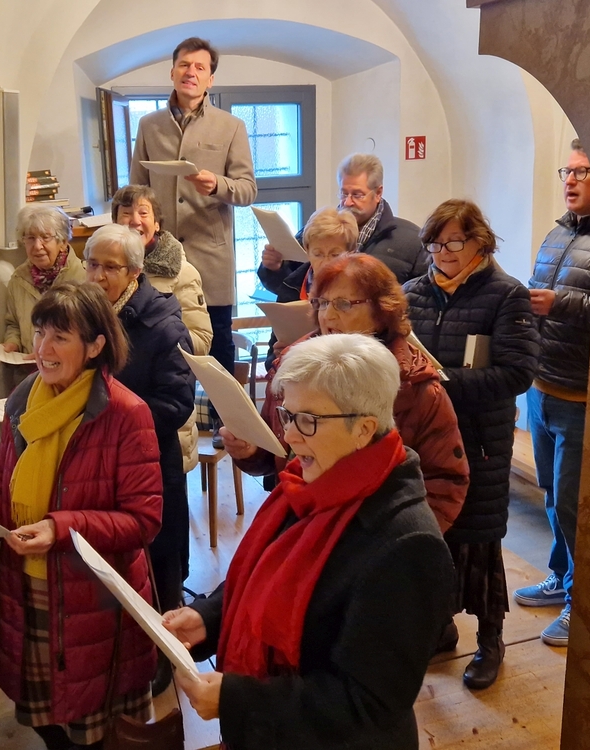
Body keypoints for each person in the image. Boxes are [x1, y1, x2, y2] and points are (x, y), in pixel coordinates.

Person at [164, 333, 454, 749]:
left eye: (308, 421)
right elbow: (265, 580)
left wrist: (239, 700)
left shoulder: (407, 545)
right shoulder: (307, 486)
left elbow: (369, 704)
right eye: (288, 415)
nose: (290, 437)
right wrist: (208, 618)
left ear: (364, 429)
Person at [0, 282, 162, 749]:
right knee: (44, 714)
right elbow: (2, 487)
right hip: (30, 584)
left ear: (95, 346)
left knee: (93, 726)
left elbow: (143, 520)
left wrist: (61, 528)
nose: (42, 348)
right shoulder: (23, 398)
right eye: (40, 332)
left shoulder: (126, 413)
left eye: (60, 337)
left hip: (93, 596)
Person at [223, 253, 469, 532]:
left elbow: (446, 482)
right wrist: (251, 451)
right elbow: (280, 450)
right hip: (299, 523)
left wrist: (401, 540)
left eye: (343, 304)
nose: (328, 315)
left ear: (381, 309)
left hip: (374, 537)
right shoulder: (292, 367)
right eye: (322, 303)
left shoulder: (415, 384)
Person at [403, 199, 539, 690]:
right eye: (435, 244)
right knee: (429, 536)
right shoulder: (412, 293)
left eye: (454, 243)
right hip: (424, 440)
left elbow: (517, 373)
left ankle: (490, 639)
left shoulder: (506, 295)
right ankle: (439, 627)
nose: (443, 253)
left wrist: (442, 383)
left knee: (478, 540)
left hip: (479, 439)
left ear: (480, 241)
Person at [513, 139, 590, 648]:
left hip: (582, 395)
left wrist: (561, 302)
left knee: (573, 505)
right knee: (551, 495)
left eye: (582, 172)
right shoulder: (557, 234)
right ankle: (560, 576)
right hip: (542, 386)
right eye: (567, 172)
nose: (570, 180)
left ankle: (581, 603)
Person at [84, 224, 195, 623]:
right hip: (97, 464)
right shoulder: (85, 316)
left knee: (157, 577)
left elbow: (176, 403)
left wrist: (112, 419)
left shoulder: (163, 325)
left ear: (134, 271)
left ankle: (163, 650)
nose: (98, 276)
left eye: (110, 268)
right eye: (92, 264)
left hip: (150, 466)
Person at [130, 36, 257, 379]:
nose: (191, 72)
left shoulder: (232, 126)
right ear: (172, 72)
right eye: (184, 65)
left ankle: (223, 413)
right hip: (159, 256)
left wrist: (217, 184)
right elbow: (135, 191)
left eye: (200, 67)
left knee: (218, 346)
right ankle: (173, 410)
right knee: (160, 346)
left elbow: (248, 190)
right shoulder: (148, 125)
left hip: (211, 257)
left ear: (210, 79)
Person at [258, 153, 427, 300]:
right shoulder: (318, 230)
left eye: (357, 195)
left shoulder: (410, 240)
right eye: (344, 193)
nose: (347, 202)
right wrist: (273, 269)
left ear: (378, 193)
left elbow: (422, 301)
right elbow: (288, 288)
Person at [112, 184, 212, 356]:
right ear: (115, 224)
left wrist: (151, 337)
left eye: (143, 213)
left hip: (163, 367)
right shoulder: (103, 270)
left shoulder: (182, 272)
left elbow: (201, 341)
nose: (135, 221)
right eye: (126, 213)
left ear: (156, 224)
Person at [258, 206, 357, 371]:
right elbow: (270, 361)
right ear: (307, 251)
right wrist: (279, 357)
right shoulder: (291, 287)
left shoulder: (361, 292)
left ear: (351, 252)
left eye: (335, 254)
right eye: (318, 254)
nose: (326, 263)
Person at [3, 204, 87, 355]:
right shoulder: (18, 279)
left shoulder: (84, 279)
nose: (37, 246)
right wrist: (12, 343)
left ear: (63, 242)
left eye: (45, 237)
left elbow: (88, 334)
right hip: (28, 365)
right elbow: (13, 324)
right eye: (30, 238)